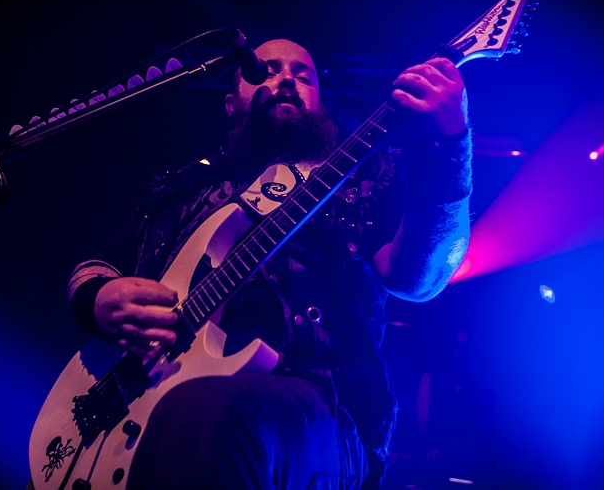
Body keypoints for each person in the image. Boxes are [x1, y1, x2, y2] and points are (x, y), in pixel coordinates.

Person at [67, 38, 472, 489]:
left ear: (319, 97)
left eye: (304, 75)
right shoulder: (180, 188)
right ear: (229, 102)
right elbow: (103, 264)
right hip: (140, 401)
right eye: (267, 70)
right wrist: (97, 299)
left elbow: (420, 277)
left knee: (205, 416)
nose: (286, 81)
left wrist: (451, 145)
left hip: (323, 406)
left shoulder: (361, 177)